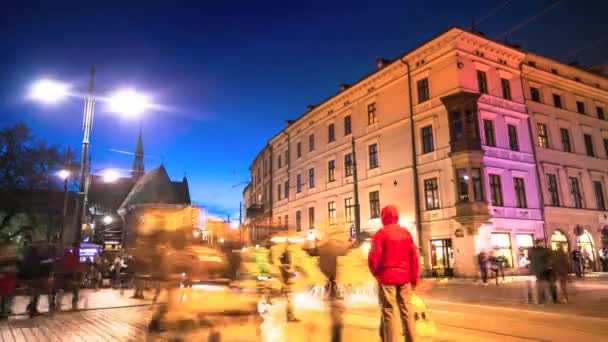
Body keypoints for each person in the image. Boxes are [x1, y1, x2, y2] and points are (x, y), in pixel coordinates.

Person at [368, 205, 419, 342]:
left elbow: (374, 258)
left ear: (383, 217)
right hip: (404, 279)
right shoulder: (406, 233)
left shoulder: (380, 234)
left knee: (388, 312)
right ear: (397, 216)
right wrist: (414, 280)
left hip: (386, 279)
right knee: (407, 312)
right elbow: (414, 258)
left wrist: (375, 273)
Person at [279, 241, 298, 322]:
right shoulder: (285, 266)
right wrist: (292, 273)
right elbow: (287, 271)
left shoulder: (283, 264)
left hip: (287, 281)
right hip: (288, 282)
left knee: (290, 300)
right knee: (290, 300)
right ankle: (290, 317)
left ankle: (290, 317)